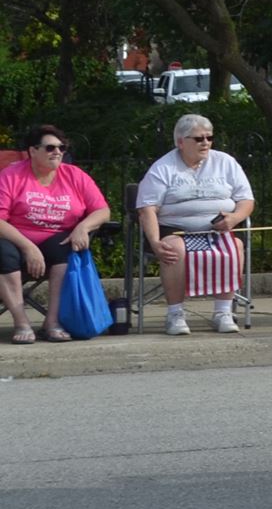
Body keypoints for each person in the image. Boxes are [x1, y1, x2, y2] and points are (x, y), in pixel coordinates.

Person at [136, 114, 256, 335]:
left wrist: (235, 218)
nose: (206, 143)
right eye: (199, 139)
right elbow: (147, 209)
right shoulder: (163, 167)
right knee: (175, 250)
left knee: (234, 246)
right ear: (180, 142)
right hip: (175, 228)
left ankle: (223, 312)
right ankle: (175, 314)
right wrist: (154, 241)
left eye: (209, 138)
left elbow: (246, 200)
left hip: (217, 228)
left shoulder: (225, 162)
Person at [0, 127, 111, 344]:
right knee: (3, 253)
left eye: (62, 148)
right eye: (50, 147)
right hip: (16, 238)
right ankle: (21, 321)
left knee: (67, 250)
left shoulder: (75, 175)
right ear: (33, 151)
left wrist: (83, 227)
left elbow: (102, 211)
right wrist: (28, 248)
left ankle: (51, 322)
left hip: (56, 238)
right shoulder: (11, 175)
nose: (57, 152)